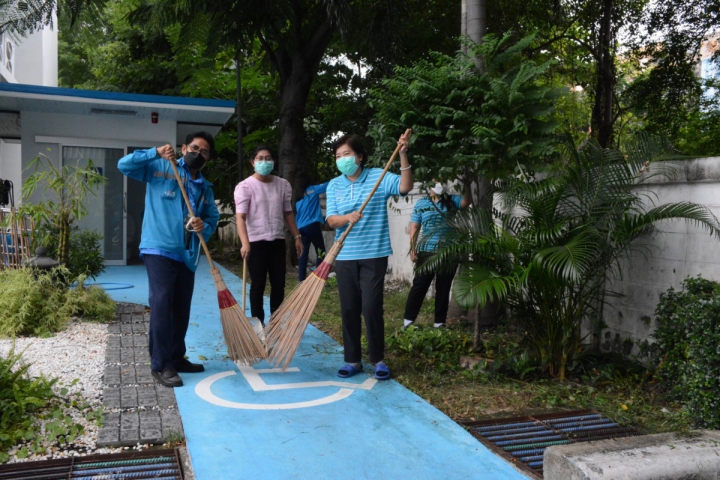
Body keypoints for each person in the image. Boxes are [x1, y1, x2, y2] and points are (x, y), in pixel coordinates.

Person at [118, 131, 219, 388]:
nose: (198, 153)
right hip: (158, 247)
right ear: (184, 148)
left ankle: (175, 356)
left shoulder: (205, 188)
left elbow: (212, 218)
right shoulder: (161, 168)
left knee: (181, 307)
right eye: (194, 148)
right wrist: (155, 152)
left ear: (208, 157)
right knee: (162, 303)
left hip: (187, 253)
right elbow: (124, 165)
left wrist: (203, 225)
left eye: (204, 151)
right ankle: (161, 364)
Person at [326, 132, 412, 380]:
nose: (342, 159)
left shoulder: (378, 177)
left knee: (371, 307)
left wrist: (403, 154)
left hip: (374, 254)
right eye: (338, 156)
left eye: (347, 154)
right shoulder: (334, 185)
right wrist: (347, 217)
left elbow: (405, 187)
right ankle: (352, 360)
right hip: (344, 256)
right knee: (349, 308)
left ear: (360, 157)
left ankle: (378, 360)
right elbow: (331, 220)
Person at [234, 145, 303, 326]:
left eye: (268, 158)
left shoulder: (282, 185)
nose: (264, 162)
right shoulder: (245, 186)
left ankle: (276, 322)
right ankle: (258, 324)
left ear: (273, 161)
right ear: (252, 162)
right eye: (260, 158)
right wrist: (245, 243)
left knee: (279, 283)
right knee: (258, 284)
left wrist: (297, 237)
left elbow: (288, 213)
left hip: (277, 241)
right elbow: (240, 217)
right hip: (255, 242)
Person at [403, 182, 471, 329]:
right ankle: (408, 321)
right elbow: (415, 226)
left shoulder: (452, 200)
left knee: (443, 287)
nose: (440, 183)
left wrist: (467, 182)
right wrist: (413, 248)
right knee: (419, 286)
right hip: (427, 252)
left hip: (448, 252)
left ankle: (439, 323)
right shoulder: (422, 203)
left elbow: (465, 203)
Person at [295, 177, 329, 282]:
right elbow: (328, 185)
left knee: (303, 254)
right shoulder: (312, 189)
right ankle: (317, 278)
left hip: (300, 228)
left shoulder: (298, 197)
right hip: (311, 225)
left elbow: (307, 206)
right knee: (321, 251)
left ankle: (302, 280)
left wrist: (320, 206)